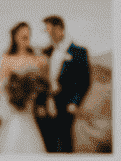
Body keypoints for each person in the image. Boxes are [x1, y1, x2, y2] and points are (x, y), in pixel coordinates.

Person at [0, 23, 48, 155]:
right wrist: (10, 101)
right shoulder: (7, 58)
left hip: (29, 110)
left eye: (28, 34)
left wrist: (32, 97)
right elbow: (0, 86)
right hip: (13, 111)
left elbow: (42, 83)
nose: (26, 37)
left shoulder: (36, 58)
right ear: (15, 37)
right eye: (22, 34)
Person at [39, 13, 91, 153]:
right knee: (47, 145)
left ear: (59, 29)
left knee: (64, 144)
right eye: (46, 29)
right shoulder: (45, 52)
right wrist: (40, 103)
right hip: (45, 106)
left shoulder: (79, 52)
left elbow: (84, 81)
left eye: (48, 29)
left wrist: (75, 102)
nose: (47, 33)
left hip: (66, 106)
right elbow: (40, 80)